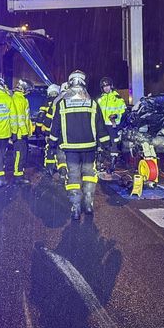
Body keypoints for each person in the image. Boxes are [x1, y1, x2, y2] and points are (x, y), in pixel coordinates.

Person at [48, 70, 110, 220]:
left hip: (71, 149)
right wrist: (106, 145)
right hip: (89, 148)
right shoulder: (92, 103)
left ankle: (75, 208)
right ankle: (88, 204)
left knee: (73, 177)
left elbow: (55, 127)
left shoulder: (62, 104)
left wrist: (52, 144)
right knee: (89, 175)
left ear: (70, 83)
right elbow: (100, 126)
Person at [96, 76, 126, 173]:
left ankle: (113, 164)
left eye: (107, 86)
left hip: (112, 125)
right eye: (104, 86)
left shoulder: (117, 98)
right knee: (101, 143)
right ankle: (99, 162)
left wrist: (116, 116)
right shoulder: (100, 99)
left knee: (114, 144)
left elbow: (123, 111)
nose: (106, 88)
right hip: (102, 125)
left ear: (111, 86)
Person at [10, 79, 33, 184]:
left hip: (21, 133)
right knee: (19, 155)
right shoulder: (18, 99)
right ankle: (18, 176)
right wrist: (24, 132)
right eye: (28, 89)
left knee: (22, 154)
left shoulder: (20, 98)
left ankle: (20, 173)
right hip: (20, 134)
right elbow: (20, 118)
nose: (29, 92)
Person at [37, 84, 60, 175]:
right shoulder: (61, 101)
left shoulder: (46, 102)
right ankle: (59, 167)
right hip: (59, 130)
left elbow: (41, 116)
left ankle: (49, 168)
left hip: (49, 129)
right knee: (59, 148)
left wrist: (38, 128)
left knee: (50, 147)